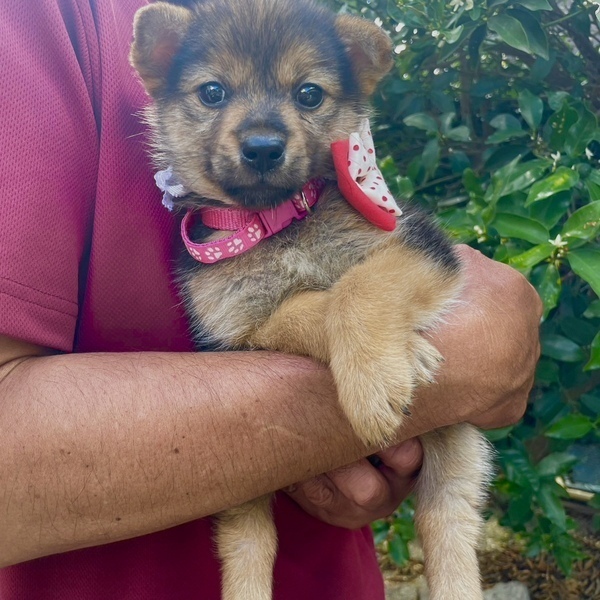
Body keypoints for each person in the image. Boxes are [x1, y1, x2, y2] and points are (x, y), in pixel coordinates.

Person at [0, 0, 543, 598]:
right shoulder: (45, 20)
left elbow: (422, 264)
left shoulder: (344, 210)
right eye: (213, 93)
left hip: (339, 571)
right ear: (159, 67)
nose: (262, 132)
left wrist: (362, 319)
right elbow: (257, 344)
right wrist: (331, 347)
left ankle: (456, 574)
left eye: (308, 96)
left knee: (445, 482)